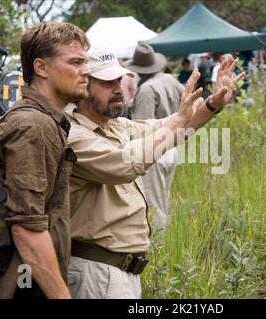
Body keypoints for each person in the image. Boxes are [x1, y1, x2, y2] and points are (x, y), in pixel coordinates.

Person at [65, 47, 245, 299]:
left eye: (119, 79)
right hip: (96, 271)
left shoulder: (115, 125)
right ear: (83, 86)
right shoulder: (74, 135)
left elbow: (173, 125)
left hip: (119, 270)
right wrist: (178, 122)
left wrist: (213, 103)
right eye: (107, 82)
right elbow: (127, 164)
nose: (118, 88)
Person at [0, 22, 90, 299]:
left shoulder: (35, 118)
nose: (86, 71)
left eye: (85, 62)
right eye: (76, 62)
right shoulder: (33, 126)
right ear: (41, 68)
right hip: (18, 282)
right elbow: (27, 230)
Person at [125, 43, 184, 228]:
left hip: (154, 150)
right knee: (163, 199)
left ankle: (157, 247)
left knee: (152, 204)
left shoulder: (147, 90)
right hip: (171, 146)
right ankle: (163, 243)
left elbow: (142, 127)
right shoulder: (170, 80)